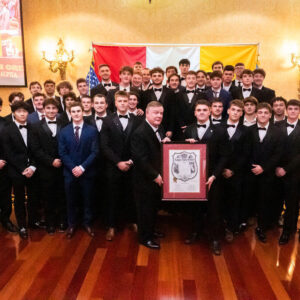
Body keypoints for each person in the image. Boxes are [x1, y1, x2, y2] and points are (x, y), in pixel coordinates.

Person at [184, 100, 231, 255]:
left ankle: (215, 239)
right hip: (193, 177)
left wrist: (214, 176)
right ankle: (195, 232)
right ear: (195, 113)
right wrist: (188, 145)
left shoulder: (220, 130)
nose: (202, 112)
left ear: (210, 112)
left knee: (214, 209)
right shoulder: (189, 130)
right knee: (194, 207)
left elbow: (224, 156)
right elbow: (181, 153)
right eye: (199, 110)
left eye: (205, 109)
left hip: (213, 177)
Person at [101, 91, 141, 241]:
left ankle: (133, 221)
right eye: (120, 101)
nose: (123, 103)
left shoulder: (137, 120)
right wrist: (118, 162)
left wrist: (131, 161)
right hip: (113, 165)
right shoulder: (107, 120)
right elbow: (104, 146)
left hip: (132, 165)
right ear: (115, 103)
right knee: (112, 196)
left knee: (131, 195)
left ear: (130, 102)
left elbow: (138, 143)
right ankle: (111, 226)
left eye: (126, 101)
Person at [241, 103, 284, 242]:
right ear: (256, 114)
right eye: (260, 113)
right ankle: (244, 222)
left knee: (265, 201)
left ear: (270, 115)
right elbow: (245, 152)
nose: (263, 115)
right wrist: (253, 167)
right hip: (250, 171)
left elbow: (278, 154)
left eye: (266, 113)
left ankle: (262, 227)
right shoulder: (249, 131)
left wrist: (264, 167)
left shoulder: (278, 132)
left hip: (268, 173)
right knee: (248, 198)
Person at [131, 101, 171, 249]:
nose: (159, 115)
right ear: (147, 113)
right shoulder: (140, 132)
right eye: (155, 112)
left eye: (161, 113)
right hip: (144, 180)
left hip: (155, 179)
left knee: (153, 208)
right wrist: (155, 175)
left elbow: (156, 150)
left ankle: (151, 231)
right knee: (144, 210)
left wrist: (165, 143)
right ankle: (144, 238)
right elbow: (140, 159)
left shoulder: (159, 128)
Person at [59, 102, 99, 239]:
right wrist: (73, 168)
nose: (76, 114)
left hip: (87, 172)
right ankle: (72, 224)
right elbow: (62, 153)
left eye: (78, 111)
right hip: (70, 173)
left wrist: (82, 167)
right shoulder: (64, 131)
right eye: (73, 111)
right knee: (71, 200)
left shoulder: (92, 130)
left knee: (88, 199)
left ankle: (87, 223)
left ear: (83, 112)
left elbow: (95, 152)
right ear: (70, 113)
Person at [2, 101, 40, 239]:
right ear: (14, 113)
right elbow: (8, 152)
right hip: (16, 171)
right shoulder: (6, 129)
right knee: (18, 199)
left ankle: (32, 222)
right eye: (19, 112)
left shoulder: (34, 128)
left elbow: (37, 150)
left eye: (24, 111)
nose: (22, 114)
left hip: (33, 169)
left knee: (33, 196)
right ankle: (22, 225)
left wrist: (32, 167)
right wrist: (23, 168)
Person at [31, 98, 67, 234]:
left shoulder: (64, 123)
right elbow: (35, 149)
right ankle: (50, 223)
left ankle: (63, 220)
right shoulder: (35, 126)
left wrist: (62, 159)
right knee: (48, 196)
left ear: (57, 110)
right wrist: (51, 161)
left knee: (62, 194)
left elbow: (68, 144)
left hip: (63, 166)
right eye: (48, 109)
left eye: (54, 109)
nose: (51, 111)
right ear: (43, 110)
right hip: (45, 168)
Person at [220, 100, 250, 242]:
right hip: (219, 171)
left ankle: (231, 228)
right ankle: (217, 228)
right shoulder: (218, 127)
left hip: (236, 172)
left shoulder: (246, 131)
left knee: (234, 201)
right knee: (219, 201)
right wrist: (220, 169)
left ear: (242, 113)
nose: (235, 112)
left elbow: (246, 154)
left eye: (239, 111)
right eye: (233, 110)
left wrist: (232, 170)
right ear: (228, 111)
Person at [275, 100, 300, 245]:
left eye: (295, 109)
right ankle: (274, 223)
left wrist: (286, 169)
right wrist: (277, 167)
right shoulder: (277, 126)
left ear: (298, 111)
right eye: (289, 109)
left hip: (295, 171)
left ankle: (288, 231)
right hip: (276, 169)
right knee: (276, 199)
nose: (292, 111)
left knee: (292, 203)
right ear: (286, 110)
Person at [0, 97, 17, 233]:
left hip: (3, 165)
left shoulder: (6, 123)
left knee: (5, 195)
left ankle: (6, 220)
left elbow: (10, 145)